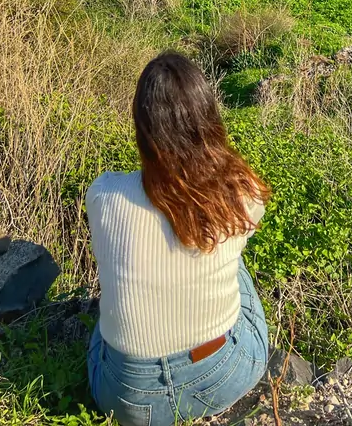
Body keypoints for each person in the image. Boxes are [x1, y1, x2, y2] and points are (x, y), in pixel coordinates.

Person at [86, 51, 271, 425]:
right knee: (235, 264)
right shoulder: (243, 194)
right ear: (208, 119)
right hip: (223, 376)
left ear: (141, 127)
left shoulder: (103, 194)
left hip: (125, 399)